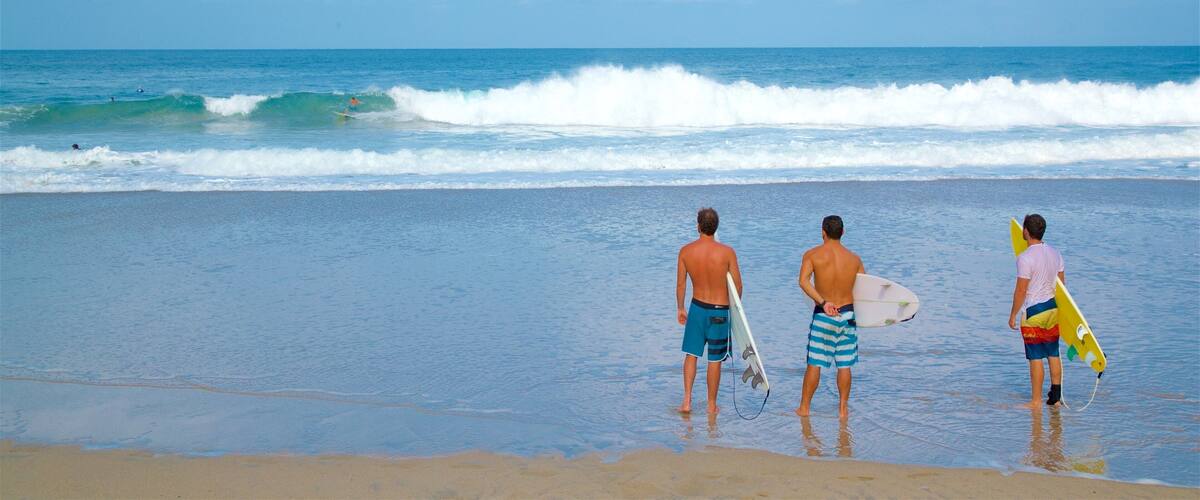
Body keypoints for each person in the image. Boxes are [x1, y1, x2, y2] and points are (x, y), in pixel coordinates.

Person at [795, 215, 864, 418]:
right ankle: (843, 409)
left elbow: (803, 282)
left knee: (815, 363)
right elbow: (865, 289)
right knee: (844, 364)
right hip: (848, 314)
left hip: (824, 315)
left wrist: (823, 303)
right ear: (842, 233)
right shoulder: (854, 259)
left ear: (823, 232)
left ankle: (804, 408)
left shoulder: (813, 255)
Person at [675, 207, 742, 415]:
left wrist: (680, 308)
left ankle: (686, 401)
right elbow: (738, 287)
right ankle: (711, 405)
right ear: (716, 227)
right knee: (715, 359)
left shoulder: (686, 251)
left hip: (696, 309)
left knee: (691, 355)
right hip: (720, 312)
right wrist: (734, 312)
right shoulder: (727, 252)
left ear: (698, 226)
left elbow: (680, 285)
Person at [1008, 213, 1065, 409]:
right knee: (1053, 353)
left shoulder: (1025, 258)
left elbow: (1021, 289)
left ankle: (1035, 401)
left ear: (1025, 231)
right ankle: (1056, 398)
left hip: (1033, 311)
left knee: (1035, 356)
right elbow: (1061, 286)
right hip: (1052, 308)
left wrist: (1013, 314)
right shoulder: (1055, 253)